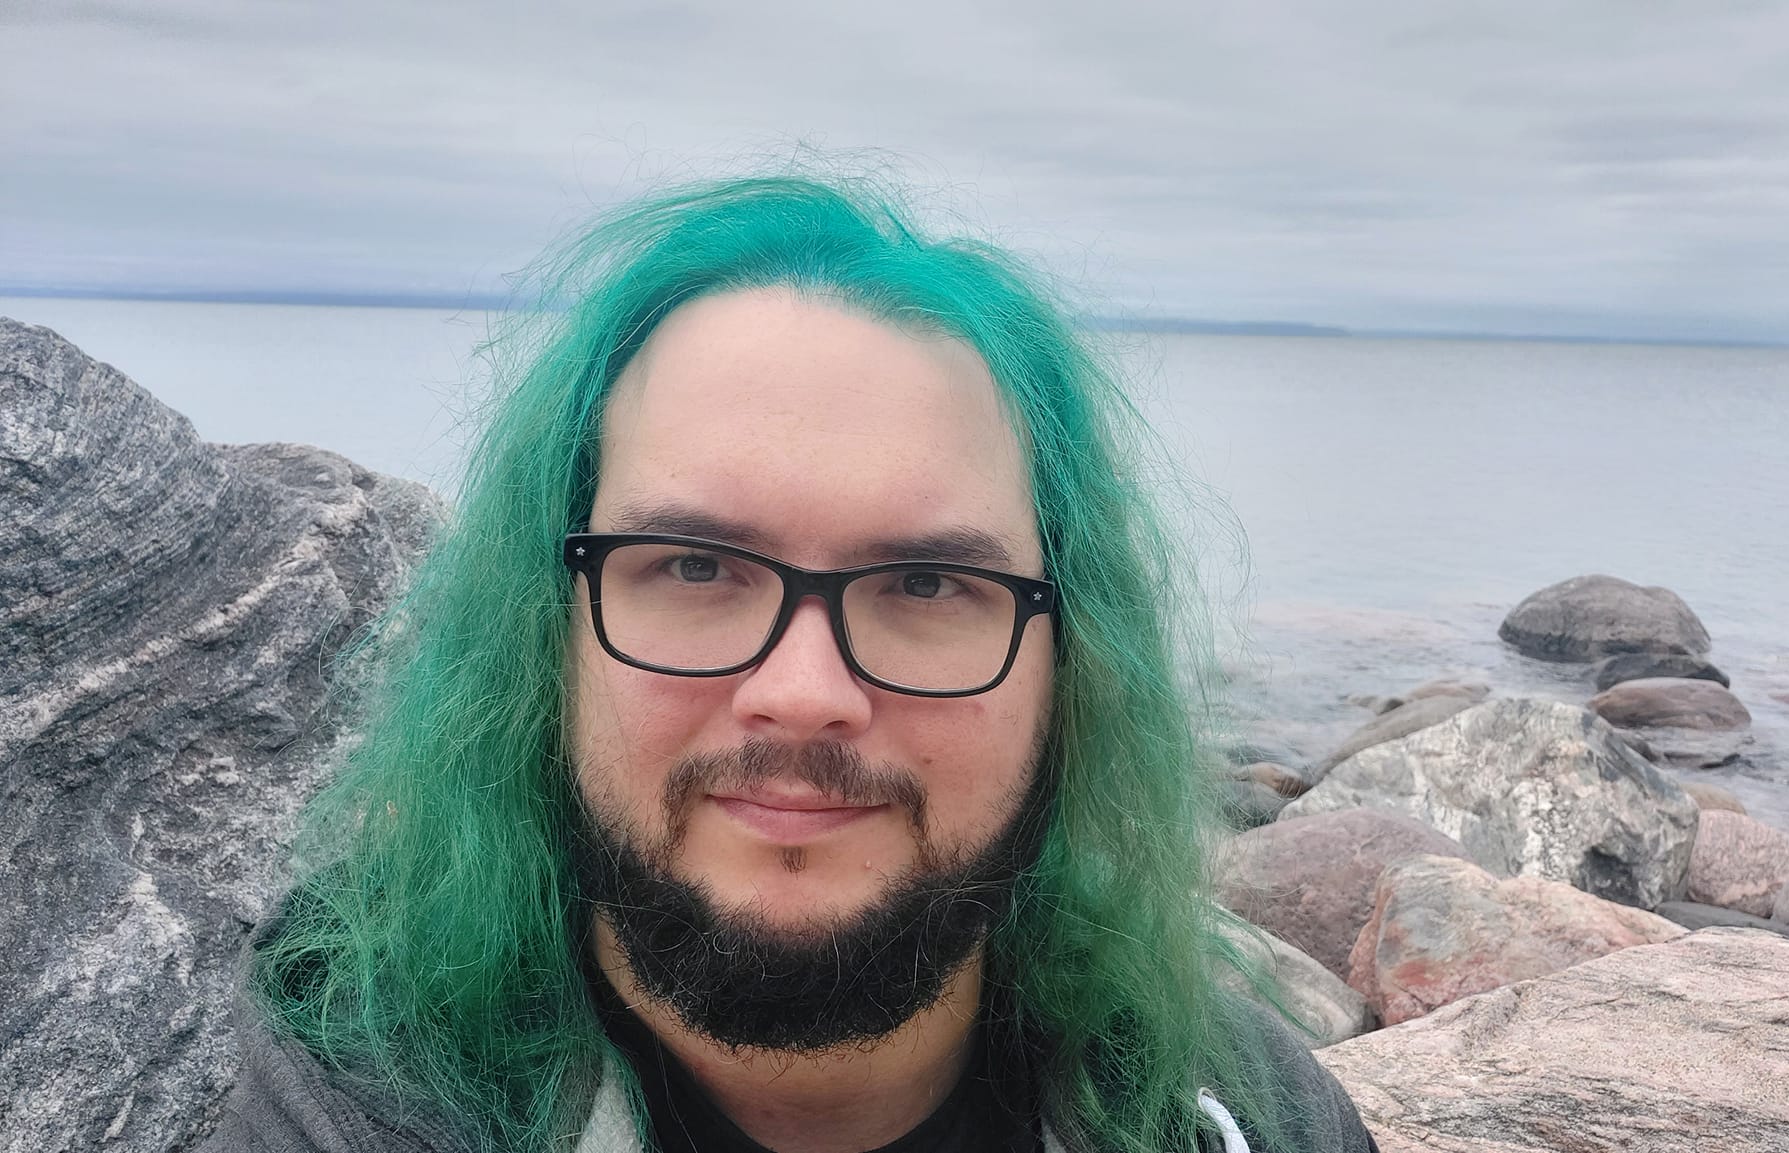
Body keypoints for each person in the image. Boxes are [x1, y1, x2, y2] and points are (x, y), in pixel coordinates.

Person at [202, 174, 1378, 1153]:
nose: (806, 694)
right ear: (542, 633)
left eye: (925, 584)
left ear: (1069, 665)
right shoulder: (355, 1102)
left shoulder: (1241, 1111)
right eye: (695, 568)